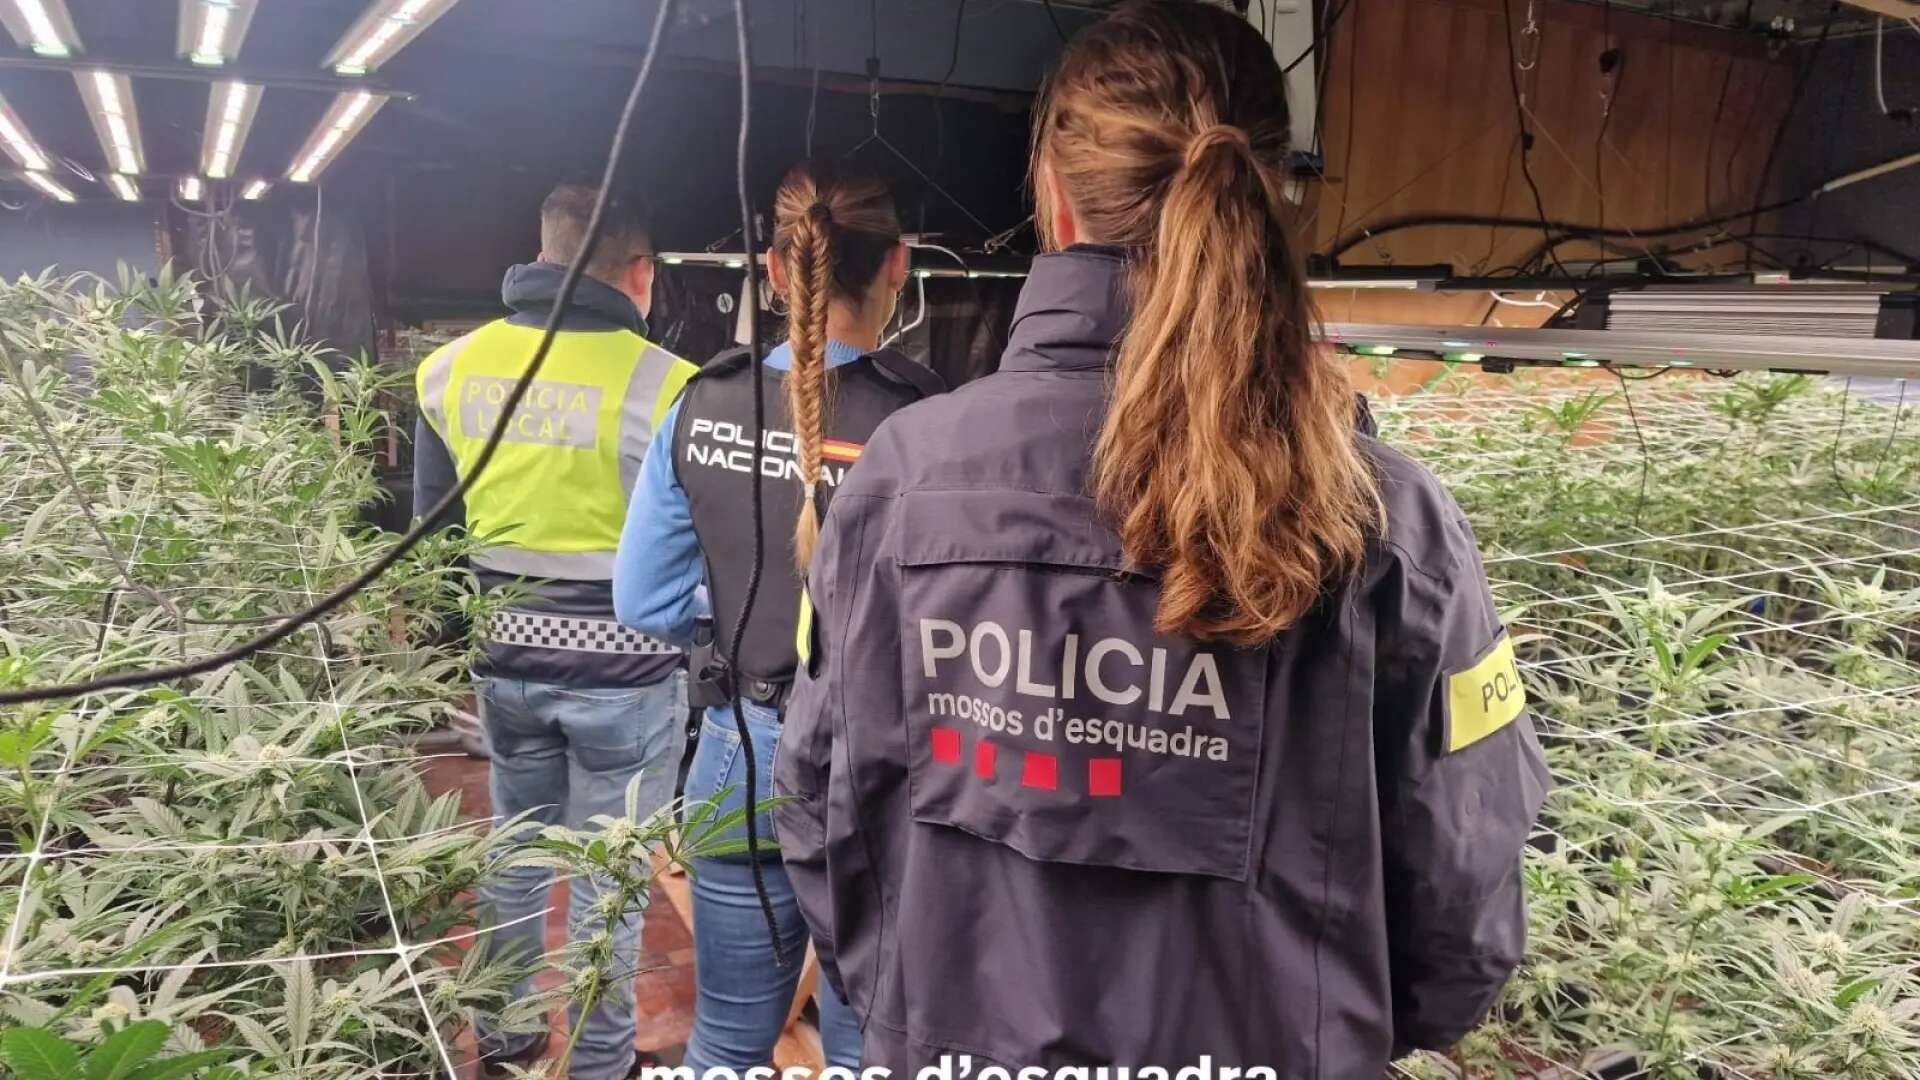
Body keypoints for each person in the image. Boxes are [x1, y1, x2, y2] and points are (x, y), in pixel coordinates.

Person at [772, 2, 1551, 1074]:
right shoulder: (1387, 518)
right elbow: (1464, 891)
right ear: (1280, 193)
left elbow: (824, 814)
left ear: (1051, 190)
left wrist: (922, 1010)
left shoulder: (901, 483)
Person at [612, 158, 943, 1071]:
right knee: (864, 1038)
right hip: (882, 770)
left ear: (771, 269)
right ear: (897, 267)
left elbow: (641, 598)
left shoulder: (701, 401)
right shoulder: (927, 424)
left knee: (724, 1034)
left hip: (738, 752)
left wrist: (732, 623)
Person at [413, 184, 696, 1080]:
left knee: (517, 850)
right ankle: (605, 1062)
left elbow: (431, 538)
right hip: (631, 680)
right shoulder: (669, 383)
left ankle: (500, 1037)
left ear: (543, 253)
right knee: (608, 879)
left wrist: (478, 647)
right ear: (639, 271)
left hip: (506, 669)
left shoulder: (450, 368)